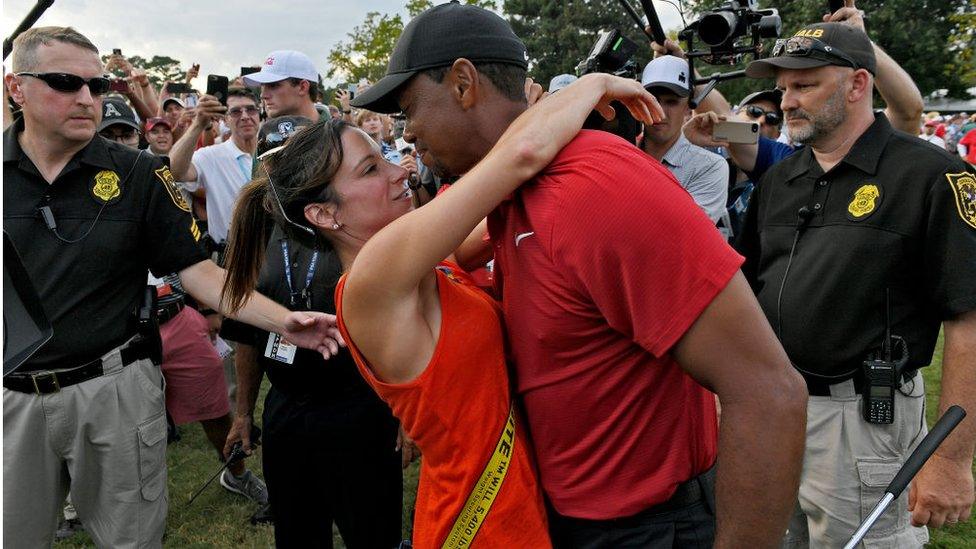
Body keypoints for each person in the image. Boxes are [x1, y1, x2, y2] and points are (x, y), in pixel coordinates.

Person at [352, 3, 808, 547]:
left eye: (408, 109)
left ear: (463, 84)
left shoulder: (594, 188)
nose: (408, 134)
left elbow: (768, 392)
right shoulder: (504, 191)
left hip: (645, 528)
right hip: (566, 517)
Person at [2, 26, 341, 549]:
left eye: (100, 85)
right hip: (13, 396)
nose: (87, 98)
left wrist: (282, 320)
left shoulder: (140, 174)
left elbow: (196, 270)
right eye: (65, 82)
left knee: (133, 540)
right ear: (15, 88)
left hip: (113, 389)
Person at [738, 21, 976, 547]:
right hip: (775, 411)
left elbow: (969, 319)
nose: (787, 101)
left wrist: (951, 459)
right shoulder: (779, 179)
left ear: (857, 84)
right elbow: (748, 289)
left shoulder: (929, 175)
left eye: (804, 85)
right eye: (782, 87)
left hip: (865, 423)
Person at [221, 116, 405, 547]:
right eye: (275, 161)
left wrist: (403, 412)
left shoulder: (351, 223)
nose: (286, 170)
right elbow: (246, 334)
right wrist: (245, 412)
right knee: (298, 533)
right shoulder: (255, 229)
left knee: (373, 532)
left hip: (360, 407)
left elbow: (396, 321)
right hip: (288, 410)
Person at [639, 55, 728, 224]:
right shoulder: (620, 152)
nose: (660, 111)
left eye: (671, 102)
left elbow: (685, 234)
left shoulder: (709, 166)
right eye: (653, 100)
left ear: (688, 109)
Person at [169, 87, 260, 247]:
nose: (245, 116)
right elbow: (174, 172)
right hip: (229, 255)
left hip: (270, 254)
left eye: (251, 110)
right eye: (236, 112)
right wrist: (198, 124)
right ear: (225, 119)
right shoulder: (210, 156)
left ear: (259, 114)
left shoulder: (272, 153)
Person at [244, 50, 322, 121]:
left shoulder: (332, 134)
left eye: (273, 85)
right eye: (262, 86)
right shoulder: (264, 134)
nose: (263, 95)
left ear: (303, 87)